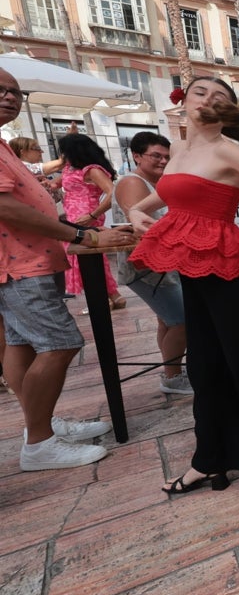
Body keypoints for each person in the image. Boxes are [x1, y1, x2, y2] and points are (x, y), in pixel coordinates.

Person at [127, 76, 239, 494]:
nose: (208, 99)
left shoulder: (228, 150)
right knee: (205, 369)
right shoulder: (179, 151)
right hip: (194, 269)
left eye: (219, 96)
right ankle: (212, 460)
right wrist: (136, 211)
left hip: (234, 272)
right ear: (184, 100)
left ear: (228, 109)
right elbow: (167, 194)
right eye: (199, 92)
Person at [0, 67, 134, 470]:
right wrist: (83, 236)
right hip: (21, 264)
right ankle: (40, 444)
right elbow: (6, 207)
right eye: (0, 90)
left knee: (22, 343)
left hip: (28, 259)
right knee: (59, 344)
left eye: (15, 91)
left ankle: (38, 425)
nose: (9, 96)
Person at [112, 132, 191, 395]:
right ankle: (172, 377)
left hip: (159, 266)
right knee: (183, 320)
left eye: (167, 156)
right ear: (136, 156)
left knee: (169, 321)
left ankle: (174, 371)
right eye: (156, 155)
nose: (163, 161)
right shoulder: (134, 182)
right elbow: (141, 227)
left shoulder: (152, 183)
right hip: (149, 268)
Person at [58, 133, 124, 311]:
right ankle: (113, 296)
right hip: (74, 216)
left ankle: (103, 298)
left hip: (85, 216)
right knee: (90, 257)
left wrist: (93, 215)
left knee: (87, 258)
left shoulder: (91, 169)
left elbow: (113, 193)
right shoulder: (72, 168)